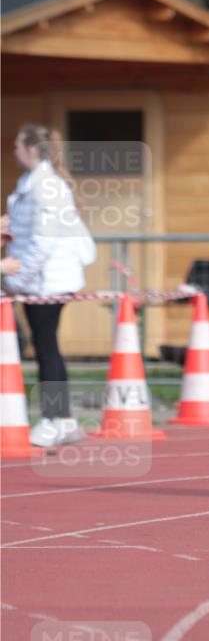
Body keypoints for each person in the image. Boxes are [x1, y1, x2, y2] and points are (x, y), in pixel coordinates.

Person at [3, 124, 96, 448]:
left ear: (30, 149)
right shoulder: (32, 183)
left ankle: (52, 419)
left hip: (49, 282)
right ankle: (64, 420)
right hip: (40, 280)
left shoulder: (47, 187)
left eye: (17, 146)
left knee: (45, 347)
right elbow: (29, 231)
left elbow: (43, 240)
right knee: (47, 346)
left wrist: (18, 279)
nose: (13, 151)